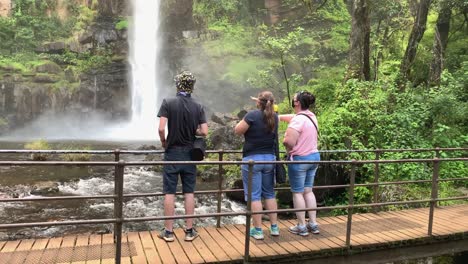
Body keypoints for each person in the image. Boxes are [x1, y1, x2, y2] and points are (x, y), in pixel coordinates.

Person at [157, 71, 208, 242]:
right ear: (192, 86)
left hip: (172, 153)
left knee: (169, 192)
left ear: (177, 85)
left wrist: (164, 142)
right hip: (190, 154)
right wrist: (193, 129)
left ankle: (169, 232)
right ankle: (189, 231)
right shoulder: (198, 106)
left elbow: (161, 128)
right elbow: (205, 131)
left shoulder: (168, 102)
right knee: (189, 192)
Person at [234, 91, 280, 240]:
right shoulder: (275, 117)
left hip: (253, 160)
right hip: (270, 159)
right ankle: (274, 228)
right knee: (269, 194)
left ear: (258, 102)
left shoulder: (252, 115)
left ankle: (258, 230)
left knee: (254, 196)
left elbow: (237, 131)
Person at [281, 90, 320, 236]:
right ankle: (313, 224)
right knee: (308, 191)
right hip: (314, 157)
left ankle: (302, 226)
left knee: (297, 193)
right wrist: (277, 117)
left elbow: (288, 141)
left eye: (294, 98)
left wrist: (287, 147)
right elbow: (295, 117)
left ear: (297, 102)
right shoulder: (311, 116)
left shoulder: (298, 120)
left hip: (300, 159)